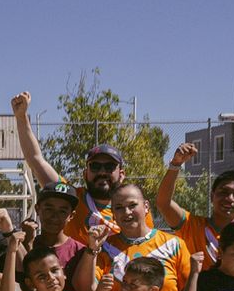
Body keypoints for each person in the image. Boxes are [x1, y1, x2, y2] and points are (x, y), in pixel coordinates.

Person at [12, 90, 148, 245]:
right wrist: (21, 118)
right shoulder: (72, 199)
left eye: (110, 166)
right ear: (85, 173)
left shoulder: (136, 208)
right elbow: (36, 161)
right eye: (95, 166)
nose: (102, 172)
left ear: (122, 174)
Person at [154, 143, 234, 271]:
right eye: (223, 192)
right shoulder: (192, 226)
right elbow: (163, 203)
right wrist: (176, 164)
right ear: (212, 196)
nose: (229, 198)